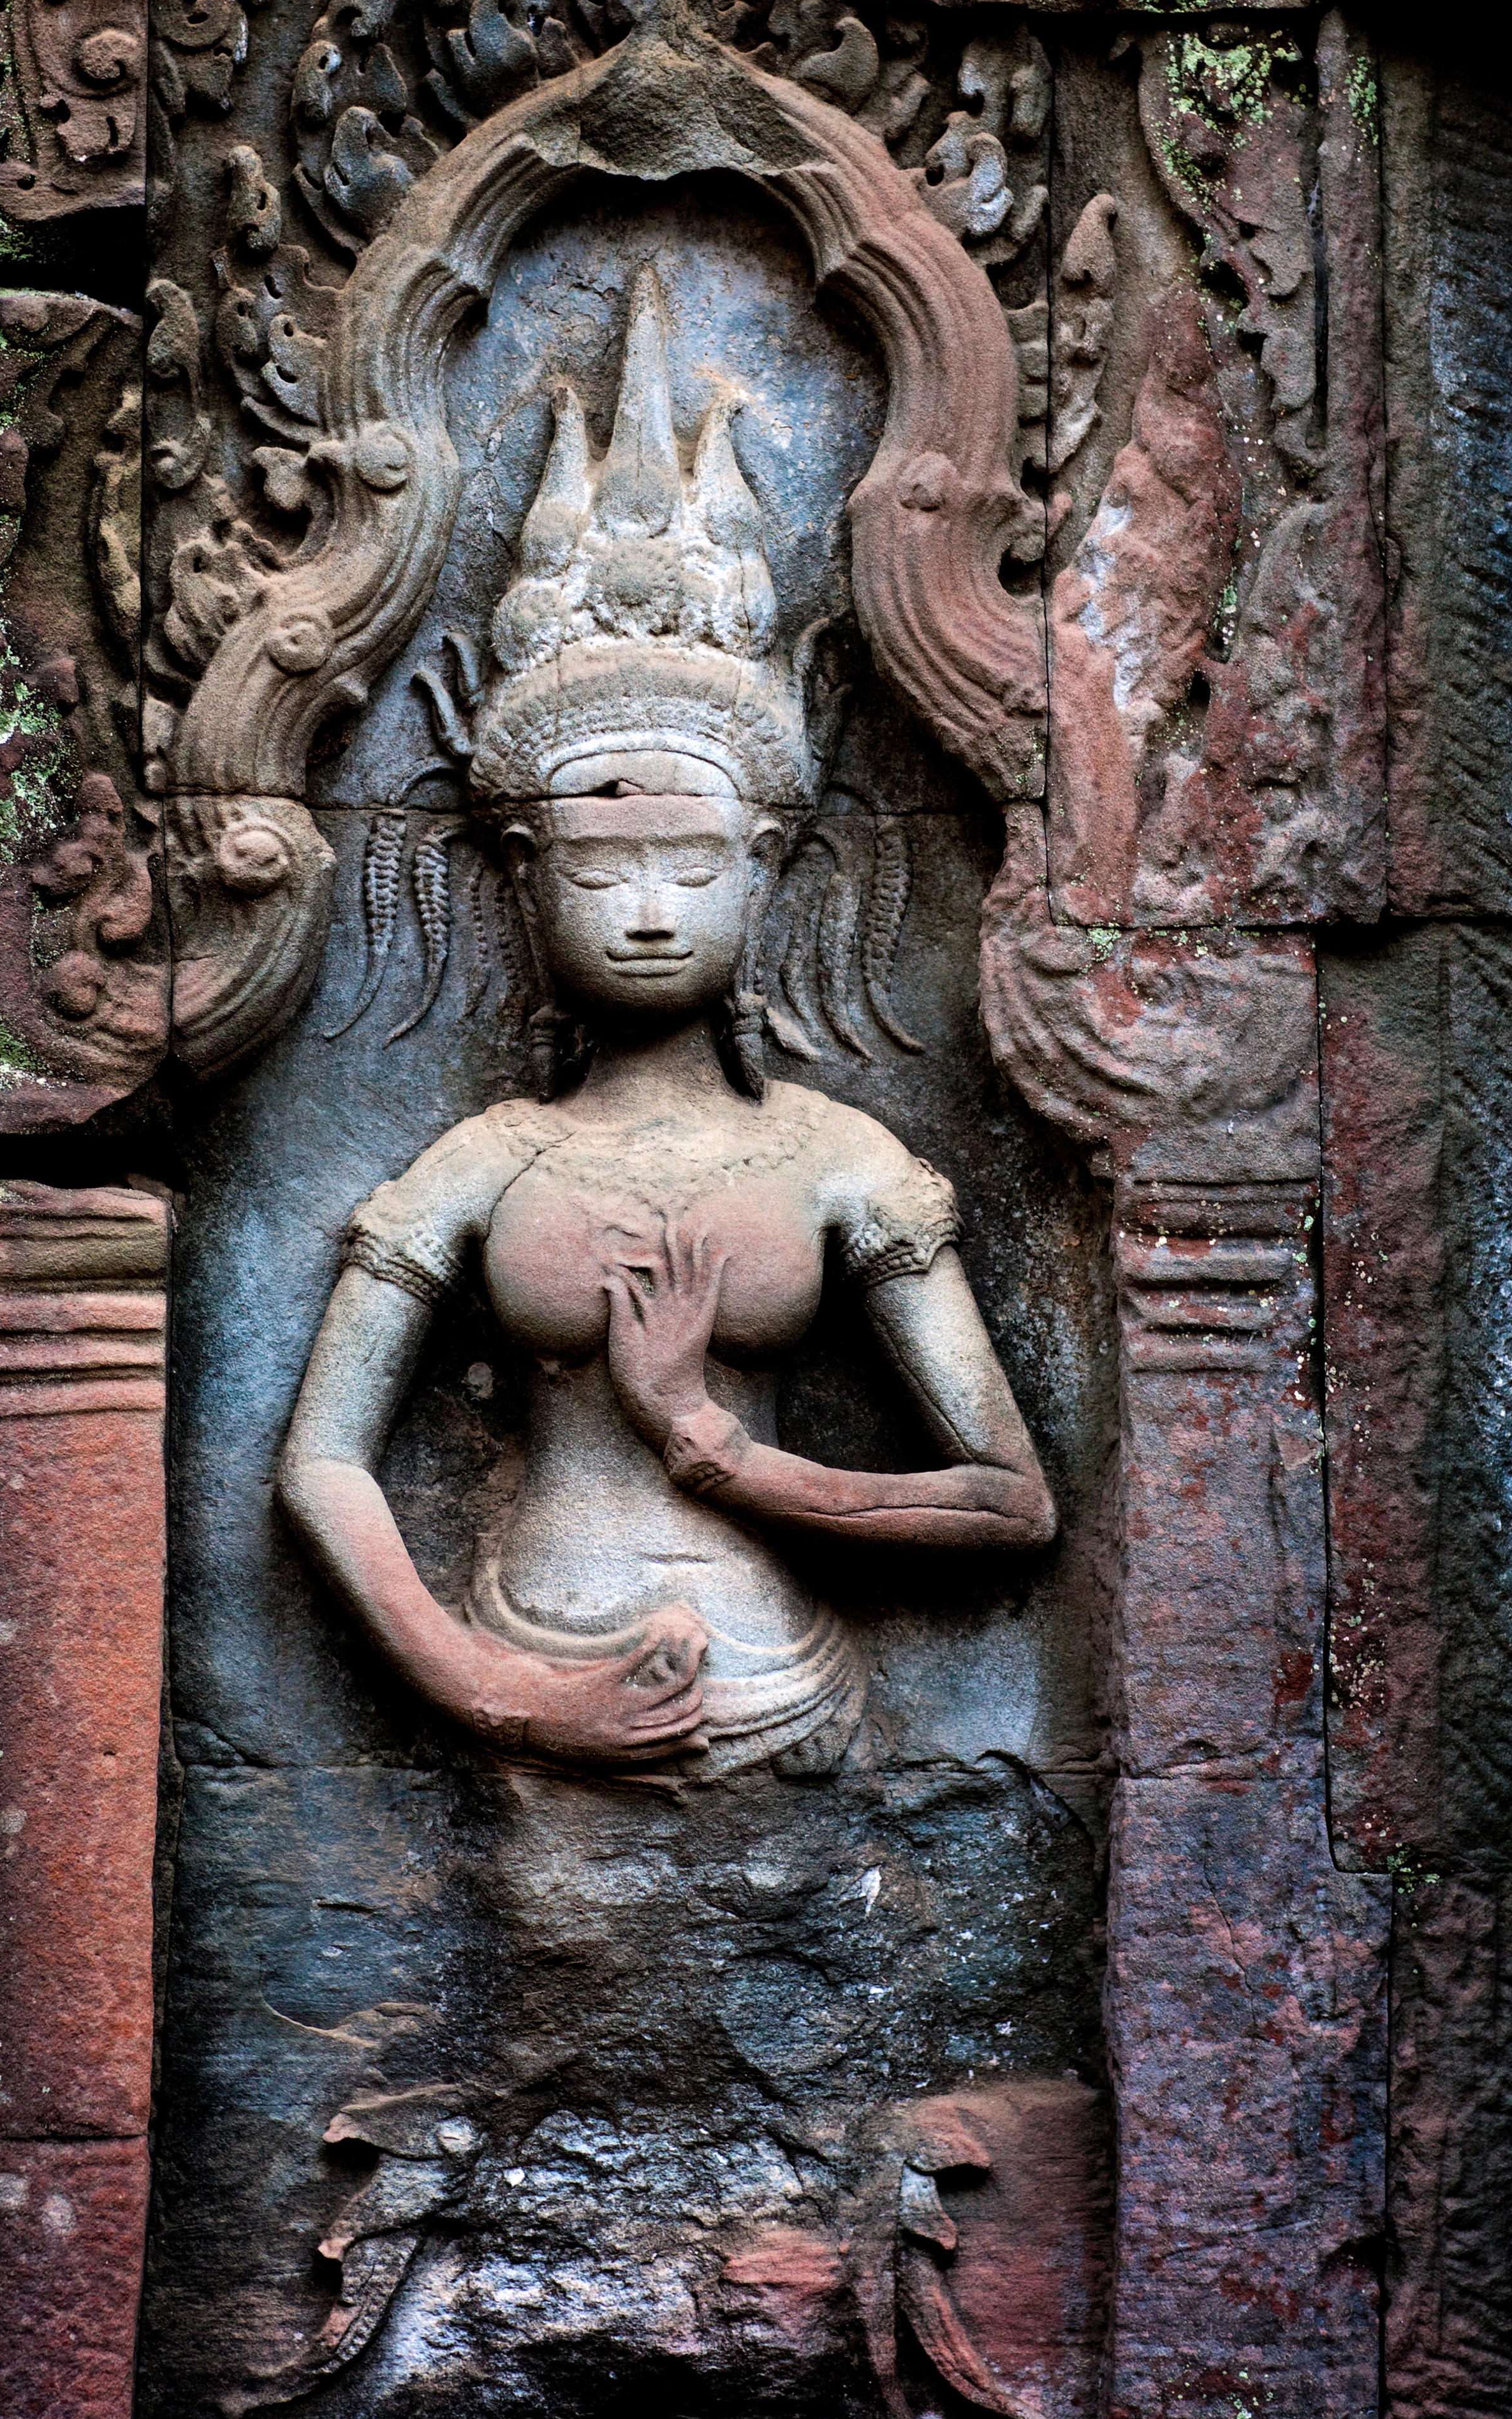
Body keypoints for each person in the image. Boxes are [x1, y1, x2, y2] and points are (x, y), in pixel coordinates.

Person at [279, 266, 1053, 1788]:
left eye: (691, 864)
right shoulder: (488, 1159)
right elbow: (320, 1461)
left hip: (792, 1694)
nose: (648, 906)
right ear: (519, 875)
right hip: (533, 1669)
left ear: (765, 872)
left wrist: (716, 1448)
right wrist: (496, 1688)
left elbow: (1009, 1500)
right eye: (598, 863)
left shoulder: (836, 1156)